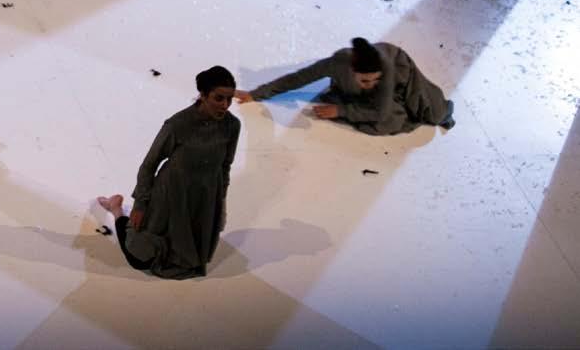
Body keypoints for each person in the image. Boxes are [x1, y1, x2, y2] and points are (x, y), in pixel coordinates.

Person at [97, 66, 239, 280]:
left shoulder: (232, 125)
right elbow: (149, 165)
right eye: (219, 98)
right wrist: (140, 204)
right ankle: (117, 210)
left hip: (204, 198)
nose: (225, 105)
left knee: (185, 255)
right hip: (171, 196)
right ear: (203, 95)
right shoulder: (178, 124)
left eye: (229, 99)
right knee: (138, 257)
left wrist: (220, 203)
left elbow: (225, 166)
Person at [235, 37, 455, 135]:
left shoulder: (386, 69)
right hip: (370, 90)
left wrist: (341, 111)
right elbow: (299, 78)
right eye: (365, 81)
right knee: (389, 121)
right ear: (352, 69)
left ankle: (446, 113)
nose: (371, 85)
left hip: (401, 75)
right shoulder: (338, 63)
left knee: (435, 113)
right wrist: (256, 94)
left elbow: (380, 112)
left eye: (374, 80)